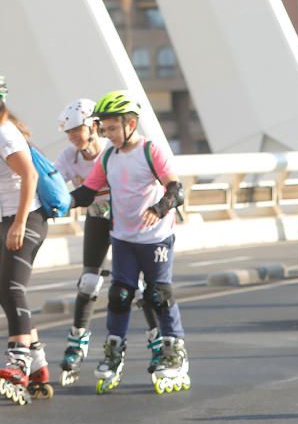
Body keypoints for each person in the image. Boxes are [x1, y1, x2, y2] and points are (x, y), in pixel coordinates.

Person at [68, 90, 190, 395]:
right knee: (120, 294)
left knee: (158, 294)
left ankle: (174, 350)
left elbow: (176, 190)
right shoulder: (108, 156)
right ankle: (114, 350)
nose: (107, 135)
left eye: (112, 128)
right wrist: (52, 205)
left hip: (155, 238)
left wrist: (158, 209)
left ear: (131, 124)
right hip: (123, 237)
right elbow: (87, 193)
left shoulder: (151, 151)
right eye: (104, 129)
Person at [53, 98, 161, 385]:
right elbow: (55, 183)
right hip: (98, 218)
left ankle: (158, 343)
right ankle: (77, 343)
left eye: (79, 129)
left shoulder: (112, 150)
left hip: (127, 219)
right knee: (89, 282)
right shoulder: (69, 156)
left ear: (94, 126)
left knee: (135, 288)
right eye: (70, 133)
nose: (75, 137)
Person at [0, 76, 51, 405]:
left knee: (13, 287)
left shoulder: (4, 133)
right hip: (8, 219)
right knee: (3, 289)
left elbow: (29, 175)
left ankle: (19, 361)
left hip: (26, 219)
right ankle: (39, 367)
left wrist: (19, 223)